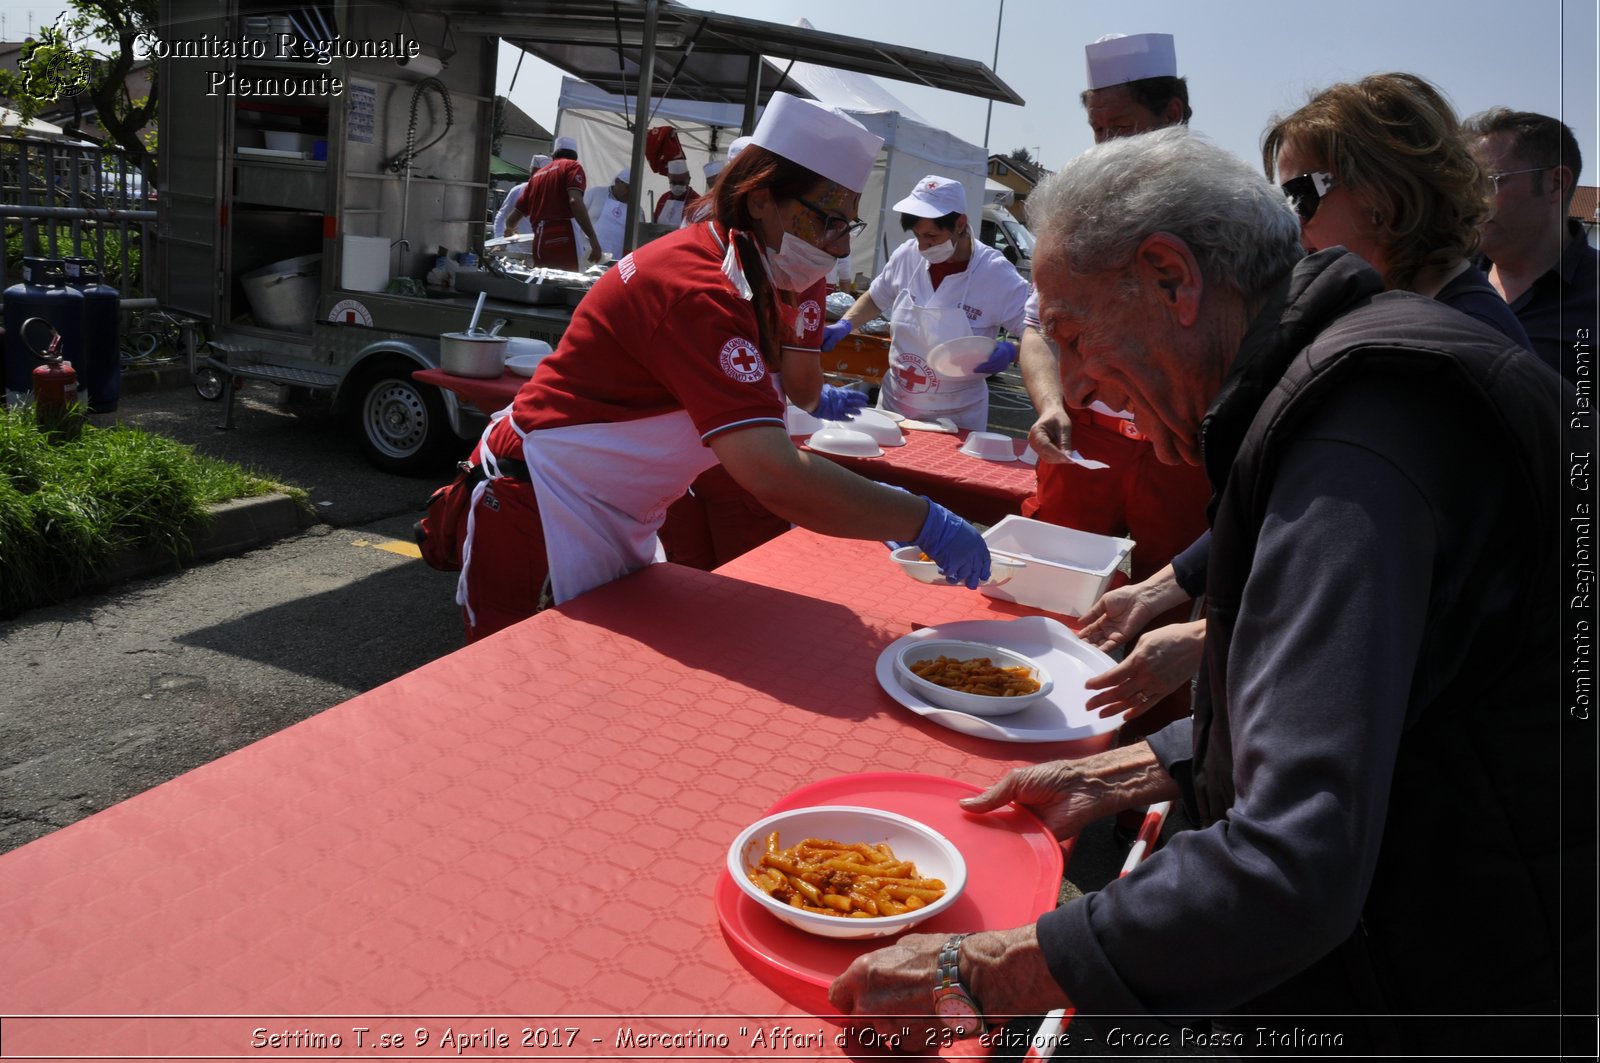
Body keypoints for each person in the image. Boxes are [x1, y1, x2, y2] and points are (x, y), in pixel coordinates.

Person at [830, 128, 1566, 1054]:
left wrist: (979, 967)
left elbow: (1290, 860)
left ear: (1173, 279)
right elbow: (1364, 699)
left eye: (1075, 336)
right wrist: (1134, 766)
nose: (1082, 382)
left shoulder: (1359, 435)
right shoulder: (1338, 393)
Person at [425, 92, 990, 640]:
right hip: (543, 506)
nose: (839, 248)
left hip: (613, 512)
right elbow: (774, 474)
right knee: (528, 700)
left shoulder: (754, 270)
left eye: (849, 225)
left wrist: (876, 510)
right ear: (762, 199)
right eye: (827, 222)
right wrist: (917, 518)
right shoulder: (698, 289)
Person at [1079, 72, 1535, 719]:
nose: (1290, 222)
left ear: (1384, 191)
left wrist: (1210, 637)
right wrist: (1159, 589)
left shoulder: (1459, 349)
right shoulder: (1377, 314)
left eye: (1304, 193)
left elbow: (1387, 592)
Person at [1014, 32, 1213, 742]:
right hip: (1087, 438)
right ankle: (1024, 715)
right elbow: (1035, 328)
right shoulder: (1076, 202)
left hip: (1179, 449)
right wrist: (1048, 404)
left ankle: (1142, 779)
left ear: (1175, 112)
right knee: (1043, 585)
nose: (1106, 146)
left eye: (1121, 129)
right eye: (1097, 130)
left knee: (1167, 607)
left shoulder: (1221, 209)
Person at [824, 174, 1028, 430]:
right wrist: (844, 325)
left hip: (957, 417)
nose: (922, 245)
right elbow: (876, 298)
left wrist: (1013, 351)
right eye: (918, 235)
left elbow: (1039, 333)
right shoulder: (907, 256)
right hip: (895, 407)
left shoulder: (996, 274)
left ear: (960, 224)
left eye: (931, 236)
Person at [1466, 106, 1597, 382]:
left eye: (1490, 183)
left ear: (1556, 184)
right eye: (1467, 185)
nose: (1473, 200)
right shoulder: (1446, 280)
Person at [502, 135, 603, 271]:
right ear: (575, 155)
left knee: (544, 282)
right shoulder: (572, 166)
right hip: (562, 237)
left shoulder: (536, 177)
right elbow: (574, 201)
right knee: (567, 284)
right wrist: (592, 237)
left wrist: (509, 228)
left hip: (539, 241)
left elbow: (513, 218)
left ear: (553, 155)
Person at [491, 153, 550, 241]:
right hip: (515, 247)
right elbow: (501, 216)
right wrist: (499, 239)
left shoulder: (551, 193)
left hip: (538, 247)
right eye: (534, 172)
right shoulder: (518, 190)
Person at [582, 167, 632, 259]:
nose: (629, 192)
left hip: (617, 259)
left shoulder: (636, 209)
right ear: (617, 182)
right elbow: (577, 217)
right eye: (627, 187)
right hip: (588, 254)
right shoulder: (595, 194)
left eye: (632, 189)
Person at [653, 158, 697, 227]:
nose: (677, 186)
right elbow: (655, 223)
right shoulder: (663, 198)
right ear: (669, 180)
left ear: (688, 179)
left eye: (681, 183)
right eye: (673, 183)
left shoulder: (696, 201)